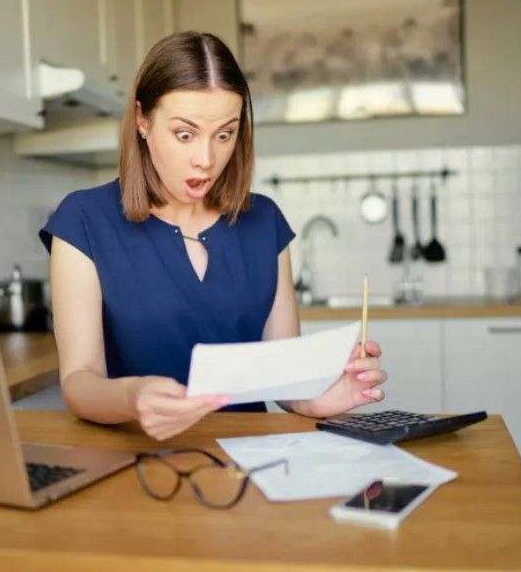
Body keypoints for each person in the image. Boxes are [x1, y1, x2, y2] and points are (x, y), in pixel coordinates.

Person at [39, 31, 387, 441]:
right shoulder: (83, 220)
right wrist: (133, 396)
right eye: (184, 134)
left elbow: (282, 376)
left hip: (251, 462)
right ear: (142, 120)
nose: (206, 160)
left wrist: (314, 400)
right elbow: (80, 380)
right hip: (135, 465)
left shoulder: (264, 222)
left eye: (224, 134)